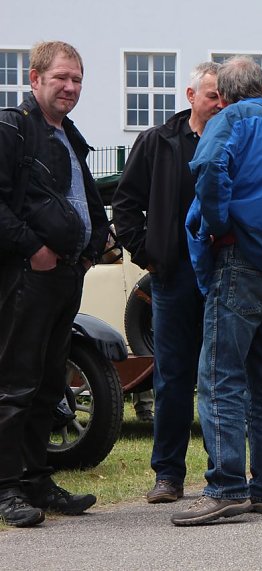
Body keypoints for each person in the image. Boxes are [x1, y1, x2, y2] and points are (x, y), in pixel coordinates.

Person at [171, 56, 262, 526]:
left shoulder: (229, 119)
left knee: (219, 373)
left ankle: (227, 485)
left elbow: (210, 166)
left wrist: (216, 224)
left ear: (224, 94)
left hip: (242, 259)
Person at [0, 41, 108, 527]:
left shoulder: (68, 134)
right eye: (61, 77)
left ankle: (36, 480)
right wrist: (32, 249)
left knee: (48, 384)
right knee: (14, 385)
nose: (70, 87)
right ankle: (5, 490)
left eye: (77, 80)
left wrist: (89, 251)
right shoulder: (12, 128)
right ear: (35, 78)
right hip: (26, 277)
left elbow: (81, 199)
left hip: (65, 277)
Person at [113, 61, 221, 504]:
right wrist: (150, 254)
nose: (219, 103)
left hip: (221, 275)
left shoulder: (234, 138)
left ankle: (225, 474)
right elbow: (125, 204)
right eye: (212, 95)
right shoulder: (157, 142)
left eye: (223, 96)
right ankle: (169, 476)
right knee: (173, 377)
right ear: (190, 95)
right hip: (173, 277)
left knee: (222, 377)